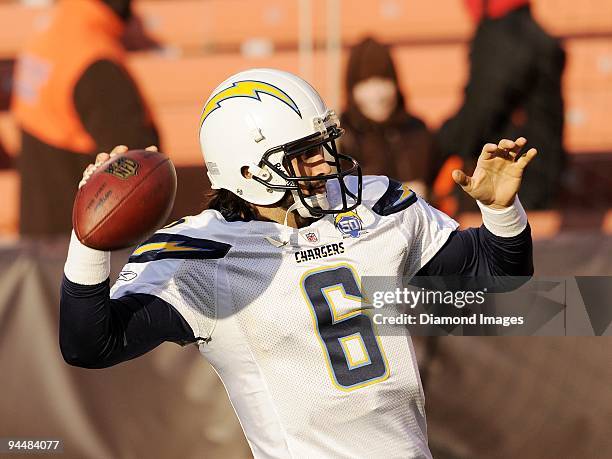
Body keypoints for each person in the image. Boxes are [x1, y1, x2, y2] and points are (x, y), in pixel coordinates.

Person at [60, 69, 535, 458]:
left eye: (325, 144)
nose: (327, 164)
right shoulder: (202, 253)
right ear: (250, 172)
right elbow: (90, 345)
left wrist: (499, 210)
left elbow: (500, 276)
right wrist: (90, 238)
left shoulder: (373, 207)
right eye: (305, 154)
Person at [11, 0, 158, 236]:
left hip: (40, 235)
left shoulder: (53, 27)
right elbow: (138, 173)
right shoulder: (95, 62)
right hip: (81, 245)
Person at [435, 0, 565, 210]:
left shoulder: (504, 36)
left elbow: (481, 111)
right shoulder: (529, 31)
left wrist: (434, 148)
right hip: (532, 175)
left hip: (508, 182)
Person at [341, 37, 432, 197]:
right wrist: (401, 195)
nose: (377, 94)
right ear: (352, 89)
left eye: (384, 80)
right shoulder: (341, 136)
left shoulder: (417, 130)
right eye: (366, 82)